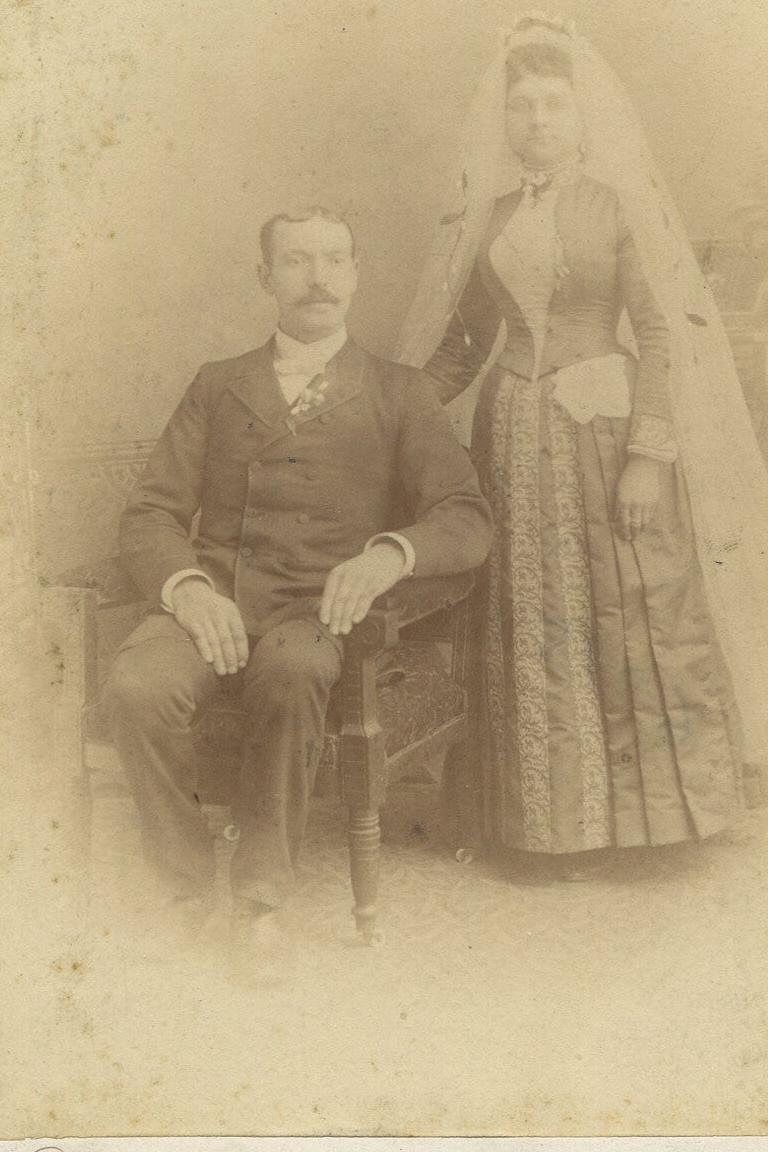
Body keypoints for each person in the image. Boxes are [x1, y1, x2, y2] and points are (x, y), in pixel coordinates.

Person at [397, 16, 768, 877]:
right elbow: (464, 344)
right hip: (514, 443)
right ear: (506, 121)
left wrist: (647, 456)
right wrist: (390, 401)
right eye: (523, 108)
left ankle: (653, 826)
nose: (538, 121)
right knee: (530, 620)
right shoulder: (486, 221)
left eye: (553, 105)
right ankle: (540, 830)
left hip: (607, 436)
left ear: (580, 116)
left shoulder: (614, 205)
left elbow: (662, 335)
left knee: (629, 610)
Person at [104, 207, 493, 957]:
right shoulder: (217, 385)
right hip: (211, 600)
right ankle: (181, 893)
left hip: (316, 611)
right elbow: (149, 513)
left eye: (334, 260)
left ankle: (259, 901)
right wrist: (186, 587)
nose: (318, 278)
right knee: (136, 684)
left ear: (354, 275)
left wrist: (388, 554)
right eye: (296, 261)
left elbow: (466, 515)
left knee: (295, 670)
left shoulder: (399, 391)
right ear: (265, 277)